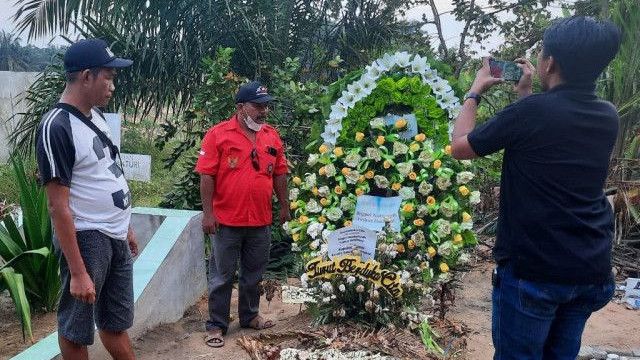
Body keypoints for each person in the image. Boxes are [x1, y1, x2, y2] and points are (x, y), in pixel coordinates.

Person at [451, 16, 621, 360]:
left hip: (536, 271)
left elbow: (459, 148)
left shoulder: (530, 113)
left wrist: (474, 91)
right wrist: (527, 94)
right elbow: (549, 134)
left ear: (550, 62)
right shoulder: (607, 114)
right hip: (589, 269)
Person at [36, 39, 137, 360]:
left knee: (115, 324)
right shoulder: (56, 126)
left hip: (115, 235)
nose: (112, 85)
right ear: (86, 77)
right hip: (87, 237)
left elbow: (109, 174)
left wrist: (127, 227)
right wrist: (78, 272)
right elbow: (57, 205)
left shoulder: (96, 117)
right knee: (76, 331)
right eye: (107, 76)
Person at [195, 81, 290, 348]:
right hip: (226, 220)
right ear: (240, 107)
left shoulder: (271, 135)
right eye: (258, 106)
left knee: (253, 274)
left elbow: (280, 172)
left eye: (266, 106)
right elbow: (206, 176)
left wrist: (284, 205)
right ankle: (216, 325)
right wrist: (208, 214)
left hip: (260, 221)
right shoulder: (218, 134)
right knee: (222, 275)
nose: (264, 111)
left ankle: (249, 316)